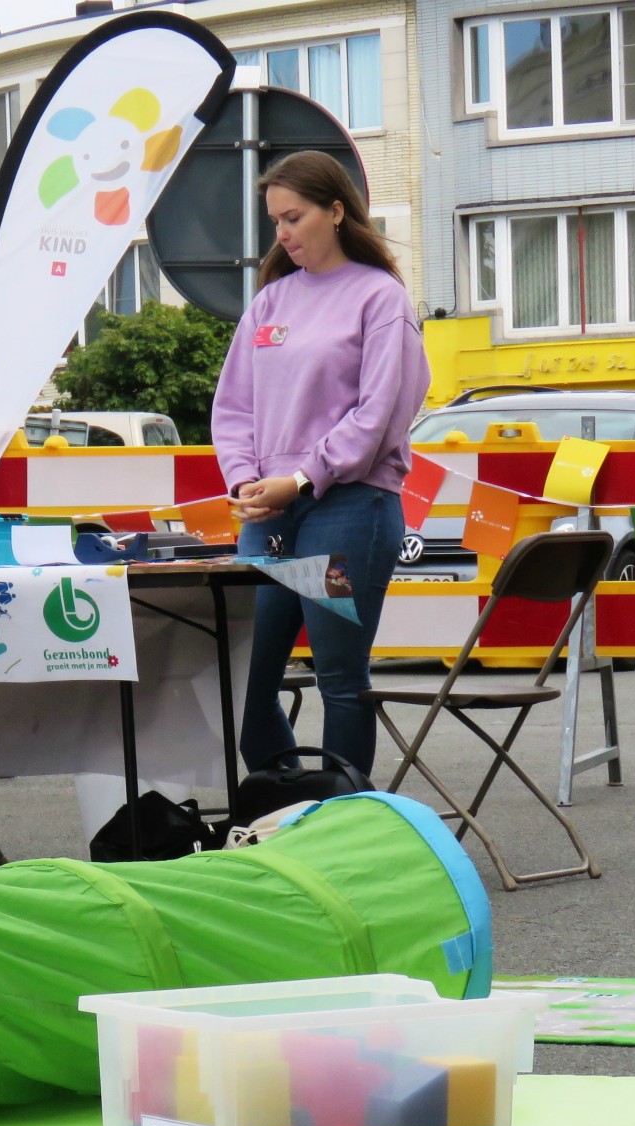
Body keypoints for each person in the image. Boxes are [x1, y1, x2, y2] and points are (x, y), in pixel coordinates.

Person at [210, 150, 431, 780]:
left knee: (338, 676)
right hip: (270, 517)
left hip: (347, 513)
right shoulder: (269, 303)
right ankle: (286, 804)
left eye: (294, 216)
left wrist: (304, 478)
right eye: (275, 220)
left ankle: (345, 823)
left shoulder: (380, 298)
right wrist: (244, 480)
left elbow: (379, 412)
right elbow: (233, 406)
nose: (281, 232)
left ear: (336, 211)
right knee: (241, 678)